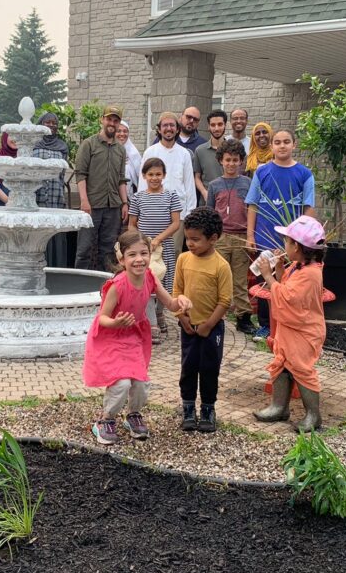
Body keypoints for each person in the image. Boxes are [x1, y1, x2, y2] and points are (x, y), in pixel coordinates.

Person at [83, 230, 192, 445]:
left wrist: (182, 301)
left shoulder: (150, 278)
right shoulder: (117, 285)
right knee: (122, 383)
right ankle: (105, 420)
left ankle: (133, 415)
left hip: (134, 336)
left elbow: (170, 304)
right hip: (111, 336)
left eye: (144, 253)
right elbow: (103, 317)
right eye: (132, 255)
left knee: (141, 381)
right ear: (121, 259)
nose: (139, 259)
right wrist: (116, 323)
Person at [251, 215, 327, 432]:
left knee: (301, 369)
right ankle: (279, 407)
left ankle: (314, 415)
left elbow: (287, 298)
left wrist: (268, 276)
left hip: (303, 330)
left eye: (287, 241)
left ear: (297, 246)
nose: (284, 245)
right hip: (291, 327)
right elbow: (287, 285)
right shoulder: (298, 265)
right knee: (282, 364)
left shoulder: (311, 273)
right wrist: (280, 268)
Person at [245, 129, 316, 340]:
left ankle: (289, 323)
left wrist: (304, 239)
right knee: (266, 281)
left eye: (286, 141)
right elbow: (252, 205)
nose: (282, 145)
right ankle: (266, 325)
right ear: (272, 146)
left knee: (291, 282)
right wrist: (250, 236)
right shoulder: (261, 172)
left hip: (293, 243)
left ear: (294, 145)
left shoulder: (305, 174)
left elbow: (308, 208)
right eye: (277, 142)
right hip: (264, 236)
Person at [173, 207, 233, 434]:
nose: (190, 243)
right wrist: (182, 317)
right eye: (188, 238)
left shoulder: (221, 266)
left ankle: (208, 408)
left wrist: (208, 325)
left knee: (209, 368)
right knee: (188, 367)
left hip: (211, 328)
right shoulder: (183, 259)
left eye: (196, 239)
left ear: (213, 238)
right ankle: (188, 407)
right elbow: (177, 290)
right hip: (187, 325)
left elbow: (225, 301)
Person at [129, 157, 183, 343]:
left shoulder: (171, 196)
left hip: (164, 247)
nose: (154, 178)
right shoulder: (138, 197)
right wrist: (139, 244)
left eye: (158, 174)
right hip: (145, 250)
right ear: (144, 176)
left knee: (164, 284)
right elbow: (132, 225)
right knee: (146, 283)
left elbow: (176, 223)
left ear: (164, 175)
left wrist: (159, 238)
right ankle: (151, 323)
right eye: (150, 174)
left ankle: (160, 314)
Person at [207, 139, 254, 334]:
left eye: (235, 160)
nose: (231, 164)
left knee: (240, 279)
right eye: (228, 160)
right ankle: (215, 314)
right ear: (220, 161)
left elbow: (252, 208)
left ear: (241, 161)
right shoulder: (214, 185)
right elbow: (209, 211)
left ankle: (243, 317)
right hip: (221, 237)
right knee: (217, 277)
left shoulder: (247, 183)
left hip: (242, 236)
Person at [74, 105, 128, 271]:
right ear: (102, 120)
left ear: (119, 124)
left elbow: (121, 179)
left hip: (113, 207)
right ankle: (78, 284)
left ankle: (104, 286)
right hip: (91, 206)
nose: (112, 123)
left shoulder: (120, 149)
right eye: (109, 119)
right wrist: (84, 201)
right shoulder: (89, 144)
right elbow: (80, 174)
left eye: (116, 120)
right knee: (84, 249)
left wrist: (124, 203)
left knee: (108, 250)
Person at [139, 112, 196, 253]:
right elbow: (142, 183)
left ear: (177, 129)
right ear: (159, 129)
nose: (168, 128)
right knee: (150, 253)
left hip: (178, 215)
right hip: (152, 213)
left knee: (173, 253)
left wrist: (189, 213)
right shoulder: (150, 152)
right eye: (165, 125)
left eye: (172, 125)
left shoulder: (184, 154)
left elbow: (189, 185)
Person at [33, 112, 71, 268]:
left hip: (56, 196)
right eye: (47, 122)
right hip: (37, 196)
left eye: (54, 123)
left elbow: (63, 173)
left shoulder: (62, 146)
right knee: (38, 231)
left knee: (54, 233)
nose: (51, 125)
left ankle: (56, 268)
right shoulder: (33, 144)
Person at [194, 109, 227, 203]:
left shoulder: (232, 149)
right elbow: (197, 177)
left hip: (227, 201)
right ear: (208, 127)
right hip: (206, 203)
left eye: (220, 124)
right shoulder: (200, 150)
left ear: (225, 125)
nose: (216, 128)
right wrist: (204, 192)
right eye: (213, 125)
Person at [116, 120, 142, 196]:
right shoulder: (108, 151)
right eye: (118, 131)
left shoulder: (134, 153)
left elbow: (140, 175)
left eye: (125, 131)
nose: (122, 134)